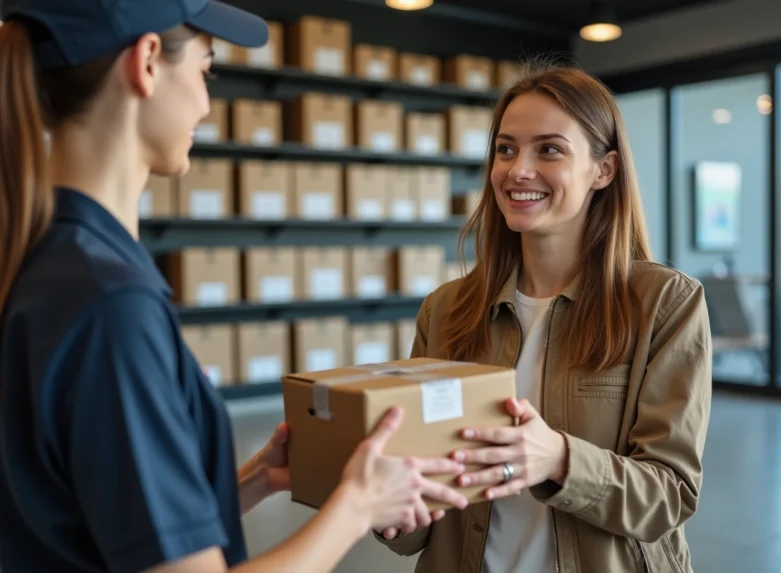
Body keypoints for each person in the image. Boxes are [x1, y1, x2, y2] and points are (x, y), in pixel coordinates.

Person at [0, 2, 469, 572]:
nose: (205, 102)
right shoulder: (111, 305)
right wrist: (357, 504)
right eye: (206, 70)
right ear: (147, 62)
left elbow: (87, 513)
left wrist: (251, 480)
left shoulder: (49, 263)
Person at [375, 65, 713, 573]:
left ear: (604, 170)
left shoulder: (665, 303)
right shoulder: (445, 310)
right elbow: (422, 515)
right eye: (506, 149)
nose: (517, 170)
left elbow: (669, 495)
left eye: (549, 150)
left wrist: (557, 459)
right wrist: (388, 501)